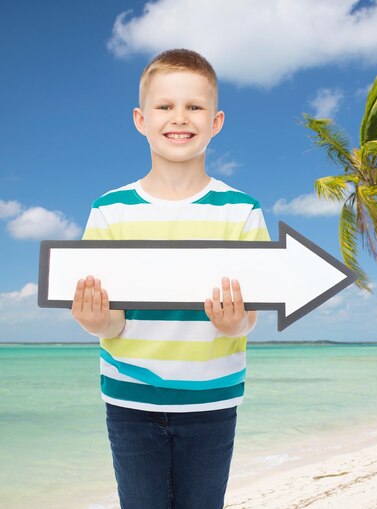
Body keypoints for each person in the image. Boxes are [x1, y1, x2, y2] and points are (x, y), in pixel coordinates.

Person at [70, 48, 270, 509]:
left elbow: (251, 316)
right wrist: (97, 322)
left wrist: (234, 323)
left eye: (194, 107)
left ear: (216, 121)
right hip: (130, 402)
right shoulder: (109, 210)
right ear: (141, 119)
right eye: (165, 106)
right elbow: (112, 321)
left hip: (212, 402)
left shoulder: (242, 210)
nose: (179, 117)